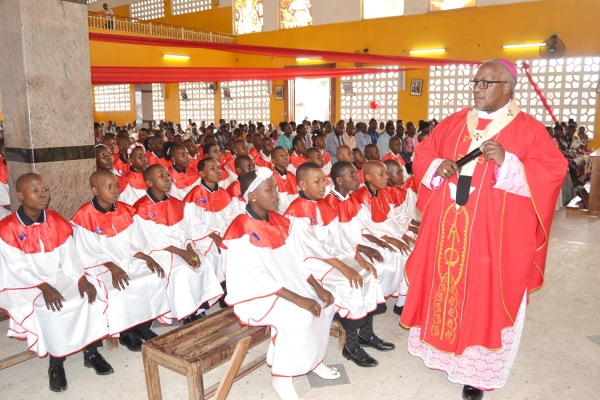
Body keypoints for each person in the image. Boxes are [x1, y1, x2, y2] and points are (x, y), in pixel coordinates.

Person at [400, 59, 567, 400]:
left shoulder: (528, 129)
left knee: (484, 297)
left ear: (507, 87)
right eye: (475, 82)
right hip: (448, 227)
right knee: (445, 289)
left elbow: (553, 170)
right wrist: (436, 166)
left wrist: (509, 163)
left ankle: (478, 374)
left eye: (485, 82)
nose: (476, 88)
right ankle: (443, 357)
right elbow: (423, 153)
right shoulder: (456, 121)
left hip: (494, 238)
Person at [222, 168, 339, 400]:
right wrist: (299, 299)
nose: (277, 194)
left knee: (326, 304)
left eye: (276, 188)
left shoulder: (279, 220)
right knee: (300, 316)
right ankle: (282, 379)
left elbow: (296, 258)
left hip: (288, 286)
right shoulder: (241, 228)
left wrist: (316, 286)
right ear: (252, 196)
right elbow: (255, 276)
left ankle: (314, 361)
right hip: (257, 295)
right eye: (269, 189)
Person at [0, 173, 112, 392]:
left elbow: (69, 255)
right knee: (51, 308)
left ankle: (91, 352)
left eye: (45, 189)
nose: (43, 194)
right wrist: (44, 287)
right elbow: (16, 267)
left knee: (89, 294)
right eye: (35, 191)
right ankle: (56, 364)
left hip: (60, 275)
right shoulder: (7, 228)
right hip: (26, 284)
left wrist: (80, 279)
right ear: (21, 196)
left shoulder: (55, 220)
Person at [284, 163, 391, 368]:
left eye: (323, 180)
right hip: (308, 265)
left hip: (329, 257)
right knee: (348, 282)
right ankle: (350, 346)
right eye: (317, 182)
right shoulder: (297, 211)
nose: (323, 185)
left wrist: (358, 258)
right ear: (302, 184)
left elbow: (338, 238)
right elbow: (311, 248)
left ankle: (366, 335)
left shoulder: (322, 205)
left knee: (368, 272)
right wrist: (344, 267)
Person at [71, 170, 171, 351]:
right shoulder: (85, 215)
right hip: (100, 265)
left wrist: (147, 257)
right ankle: (126, 333)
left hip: (129, 259)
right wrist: (112, 267)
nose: (115, 190)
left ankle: (142, 327)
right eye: (109, 187)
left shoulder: (125, 210)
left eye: (116, 186)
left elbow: (136, 243)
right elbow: (87, 252)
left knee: (154, 276)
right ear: (95, 190)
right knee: (118, 286)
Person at [133, 165, 224, 324]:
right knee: (181, 270)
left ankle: (199, 307)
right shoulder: (141, 207)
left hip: (181, 246)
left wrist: (190, 248)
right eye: (161, 175)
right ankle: (186, 312)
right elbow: (152, 239)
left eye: (168, 175)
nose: (167, 178)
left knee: (201, 261)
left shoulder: (175, 202)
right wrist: (183, 253)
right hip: (158, 251)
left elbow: (184, 230)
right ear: (149, 182)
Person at [325, 161, 408, 305]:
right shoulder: (330, 203)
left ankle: (394, 298)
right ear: (339, 180)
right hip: (344, 250)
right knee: (383, 263)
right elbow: (334, 238)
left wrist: (378, 241)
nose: (358, 178)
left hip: (358, 242)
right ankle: (374, 301)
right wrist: (361, 248)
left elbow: (360, 227)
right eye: (352, 175)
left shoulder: (349, 199)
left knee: (395, 254)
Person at [183, 157, 239, 305]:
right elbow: (193, 223)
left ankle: (233, 288)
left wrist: (226, 236)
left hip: (222, 234)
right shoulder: (195, 194)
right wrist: (214, 236)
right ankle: (221, 291)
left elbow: (230, 218)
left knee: (236, 247)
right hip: (203, 237)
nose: (217, 171)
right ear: (201, 173)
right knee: (216, 252)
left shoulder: (224, 193)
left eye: (218, 168)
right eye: (212, 169)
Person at [271, 146, 299, 213]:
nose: (286, 157)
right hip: (280, 213)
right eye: (281, 155)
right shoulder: (271, 178)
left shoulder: (292, 175)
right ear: (273, 161)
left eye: (287, 155)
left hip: (294, 212)